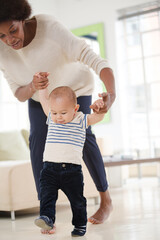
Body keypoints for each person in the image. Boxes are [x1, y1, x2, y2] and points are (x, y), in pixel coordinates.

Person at [0, 0, 116, 224]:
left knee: (83, 138)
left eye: (12, 30)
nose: (9, 40)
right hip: (40, 96)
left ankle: (106, 200)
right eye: (1, 36)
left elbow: (96, 61)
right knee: (37, 141)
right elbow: (19, 93)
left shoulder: (50, 28)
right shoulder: (2, 50)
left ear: (22, 19)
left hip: (75, 89)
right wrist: (34, 86)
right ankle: (47, 210)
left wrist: (110, 93)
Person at [34, 85, 105, 236]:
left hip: (71, 171)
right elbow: (44, 101)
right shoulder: (51, 119)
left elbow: (97, 117)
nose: (58, 117)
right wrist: (42, 88)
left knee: (77, 200)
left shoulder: (81, 119)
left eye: (63, 113)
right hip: (49, 169)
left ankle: (79, 225)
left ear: (75, 108)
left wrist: (101, 109)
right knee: (47, 196)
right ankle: (47, 219)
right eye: (54, 112)